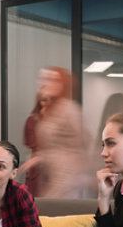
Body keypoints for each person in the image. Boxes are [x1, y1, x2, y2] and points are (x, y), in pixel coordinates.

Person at [19, 67, 86, 198]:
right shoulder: (50, 111)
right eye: (44, 79)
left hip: (66, 176)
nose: (45, 83)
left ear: (62, 84)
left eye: (53, 80)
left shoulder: (69, 110)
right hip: (49, 174)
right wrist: (40, 157)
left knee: (56, 211)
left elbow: (81, 145)